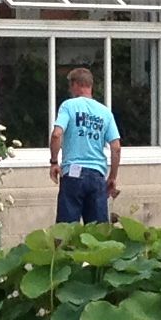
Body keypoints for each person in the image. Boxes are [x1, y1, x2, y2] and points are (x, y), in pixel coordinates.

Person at [49, 63, 121, 225]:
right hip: (97, 176)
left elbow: (56, 134)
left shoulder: (69, 106)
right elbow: (116, 148)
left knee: (65, 232)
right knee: (98, 235)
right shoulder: (105, 112)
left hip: (73, 175)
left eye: (70, 86)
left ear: (75, 85)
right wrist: (112, 177)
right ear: (90, 85)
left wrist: (54, 162)